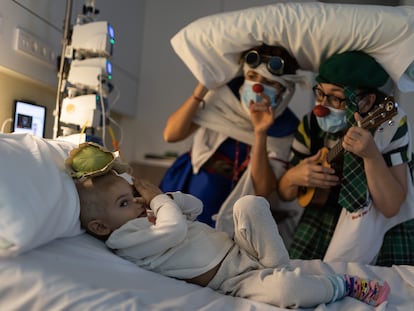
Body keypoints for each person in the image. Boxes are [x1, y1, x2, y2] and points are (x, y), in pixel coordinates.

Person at [73, 166, 390, 308]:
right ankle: (345, 285)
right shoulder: (125, 239)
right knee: (287, 290)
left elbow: (195, 207)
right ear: (101, 227)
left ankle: (278, 266)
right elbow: (176, 229)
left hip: (240, 247)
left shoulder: (152, 215)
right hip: (234, 280)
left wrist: (163, 198)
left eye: (133, 195)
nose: (138, 201)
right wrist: (157, 200)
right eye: (124, 202)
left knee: (249, 203)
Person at [277, 51, 414, 266]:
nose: (321, 107)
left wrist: (371, 156)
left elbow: (391, 207)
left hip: (379, 227)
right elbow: (284, 193)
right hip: (320, 221)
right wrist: (294, 176)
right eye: (320, 94)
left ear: (368, 101)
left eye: (336, 98)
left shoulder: (390, 125)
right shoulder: (311, 125)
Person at [161, 44, 305, 242]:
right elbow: (171, 134)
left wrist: (260, 132)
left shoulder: (285, 128)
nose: (257, 87)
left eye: (269, 82)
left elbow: (263, 190)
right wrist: (203, 87)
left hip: (235, 209)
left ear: (283, 91)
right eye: (252, 77)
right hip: (190, 186)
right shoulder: (222, 99)